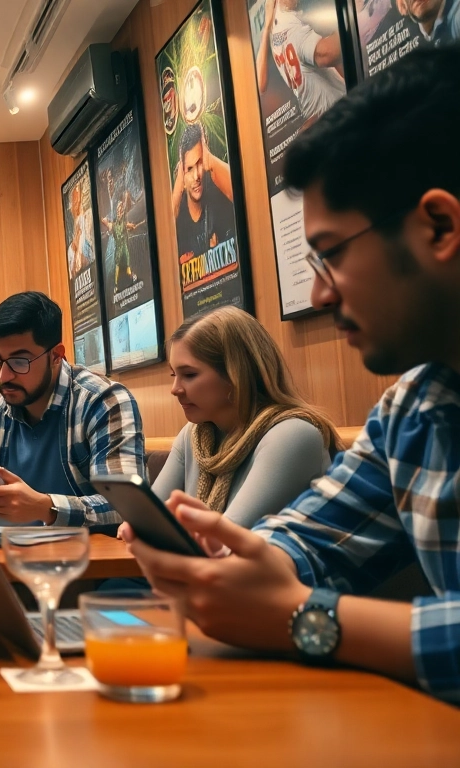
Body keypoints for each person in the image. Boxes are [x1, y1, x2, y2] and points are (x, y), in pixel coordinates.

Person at [122, 47, 460, 703]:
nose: (322, 293)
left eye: (331, 255)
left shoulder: (304, 429)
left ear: (439, 226)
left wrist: (310, 618)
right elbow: (305, 540)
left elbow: (296, 604)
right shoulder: (415, 408)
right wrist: (233, 570)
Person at [0, 291, 145, 526]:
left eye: (19, 362)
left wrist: (46, 508)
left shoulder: (102, 401)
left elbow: (128, 506)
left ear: (56, 356)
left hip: (87, 556)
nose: (4, 376)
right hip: (6, 552)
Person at [153, 306, 342, 529]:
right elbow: (147, 517)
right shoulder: (194, 434)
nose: (175, 389)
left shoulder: (292, 435)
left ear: (236, 374)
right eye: (174, 375)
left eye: (189, 375)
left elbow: (228, 539)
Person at [255, 0, 346, 121]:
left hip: (319, 117)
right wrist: (355, 15)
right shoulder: (289, 25)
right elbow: (327, 54)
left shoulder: (275, 23)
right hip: (334, 114)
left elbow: (260, 85)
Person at [171, 123, 237, 271]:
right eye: (189, 169)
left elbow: (241, 193)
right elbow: (164, 235)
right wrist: (179, 184)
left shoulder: (216, 195)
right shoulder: (179, 214)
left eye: (199, 163)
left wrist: (209, 159)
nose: (196, 176)